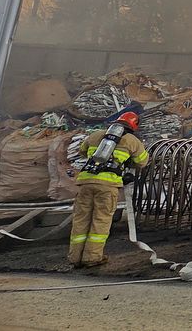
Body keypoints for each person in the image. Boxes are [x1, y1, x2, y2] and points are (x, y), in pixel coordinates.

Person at [68, 111, 149, 267]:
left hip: (85, 181)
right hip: (107, 185)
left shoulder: (96, 135)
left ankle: (75, 257)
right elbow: (142, 162)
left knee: (80, 219)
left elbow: (82, 151)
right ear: (134, 125)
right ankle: (91, 258)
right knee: (101, 220)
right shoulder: (132, 140)